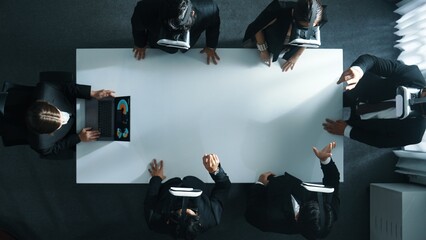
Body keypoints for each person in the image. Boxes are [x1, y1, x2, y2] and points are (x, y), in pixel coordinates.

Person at [322, 54, 426, 148]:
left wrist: (347, 131)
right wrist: (358, 71)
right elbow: (372, 61)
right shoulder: (411, 75)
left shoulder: (414, 133)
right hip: (355, 90)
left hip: (359, 124)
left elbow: (379, 141)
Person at [245, 142, 340, 240]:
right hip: (290, 170)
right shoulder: (330, 211)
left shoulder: (269, 219)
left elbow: (250, 213)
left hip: (265, 185)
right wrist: (325, 159)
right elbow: (333, 179)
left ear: (297, 217)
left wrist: (260, 184)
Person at [145, 154, 231, 239]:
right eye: (189, 211)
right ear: (199, 221)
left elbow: (152, 195)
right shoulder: (212, 218)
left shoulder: (154, 221)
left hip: (169, 181)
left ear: (168, 221)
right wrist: (215, 171)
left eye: (180, 210)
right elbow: (223, 187)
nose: (184, 205)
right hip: (197, 177)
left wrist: (156, 178)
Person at [26, 79, 115, 156]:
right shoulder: (42, 144)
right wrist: (78, 138)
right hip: (72, 132)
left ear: (48, 103)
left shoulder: (46, 88)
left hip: (72, 104)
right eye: (60, 124)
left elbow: (65, 87)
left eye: (59, 113)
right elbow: (56, 148)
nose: (64, 118)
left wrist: (91, 93)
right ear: (49, 133)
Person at [243, 0, 326, 72]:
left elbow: (309, 39)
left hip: (289, 46)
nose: (306, 31)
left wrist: (296, 56)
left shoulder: (318, 17)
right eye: (301, 27)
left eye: (311, 27)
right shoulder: (277, 10)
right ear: (293, 14)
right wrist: (263, 50)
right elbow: (257, 28)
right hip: (268, 39)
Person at [131, 0, 221, 65]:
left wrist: (211, 46)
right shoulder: (144, 9)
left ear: (193, 13)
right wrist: (140, 44)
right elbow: (137, 27)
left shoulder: (209, 9)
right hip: (157, 43)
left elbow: (213, 26)